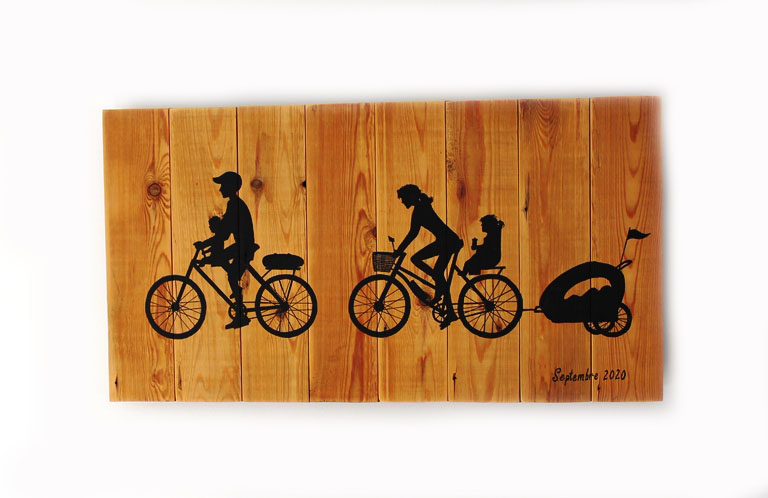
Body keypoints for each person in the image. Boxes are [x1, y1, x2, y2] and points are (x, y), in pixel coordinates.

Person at [194, 171, 257, 329]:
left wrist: (204, 245)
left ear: (230, 187)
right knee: (226, 265)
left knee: (232, 275)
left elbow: (223, 233)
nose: (220, 189)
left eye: (223, 185)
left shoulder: (235, 205)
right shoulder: (235, 204)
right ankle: (237, 295)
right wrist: (207, 247)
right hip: (242, 245)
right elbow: (224, 232)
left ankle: (240, 315)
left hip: (244, 246)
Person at [395, 184, 463, 329]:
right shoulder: (421, 206)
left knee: (417, 260)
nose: (402, 201)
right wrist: (399, 250)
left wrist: (398, 251)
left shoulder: (420, 209)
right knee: (438, 275)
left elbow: (412, 234)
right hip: (447, 241)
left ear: (410, 196)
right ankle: (449, 308)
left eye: (403, 198)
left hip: (448, 241)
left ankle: (441, 291)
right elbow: (413, 233)